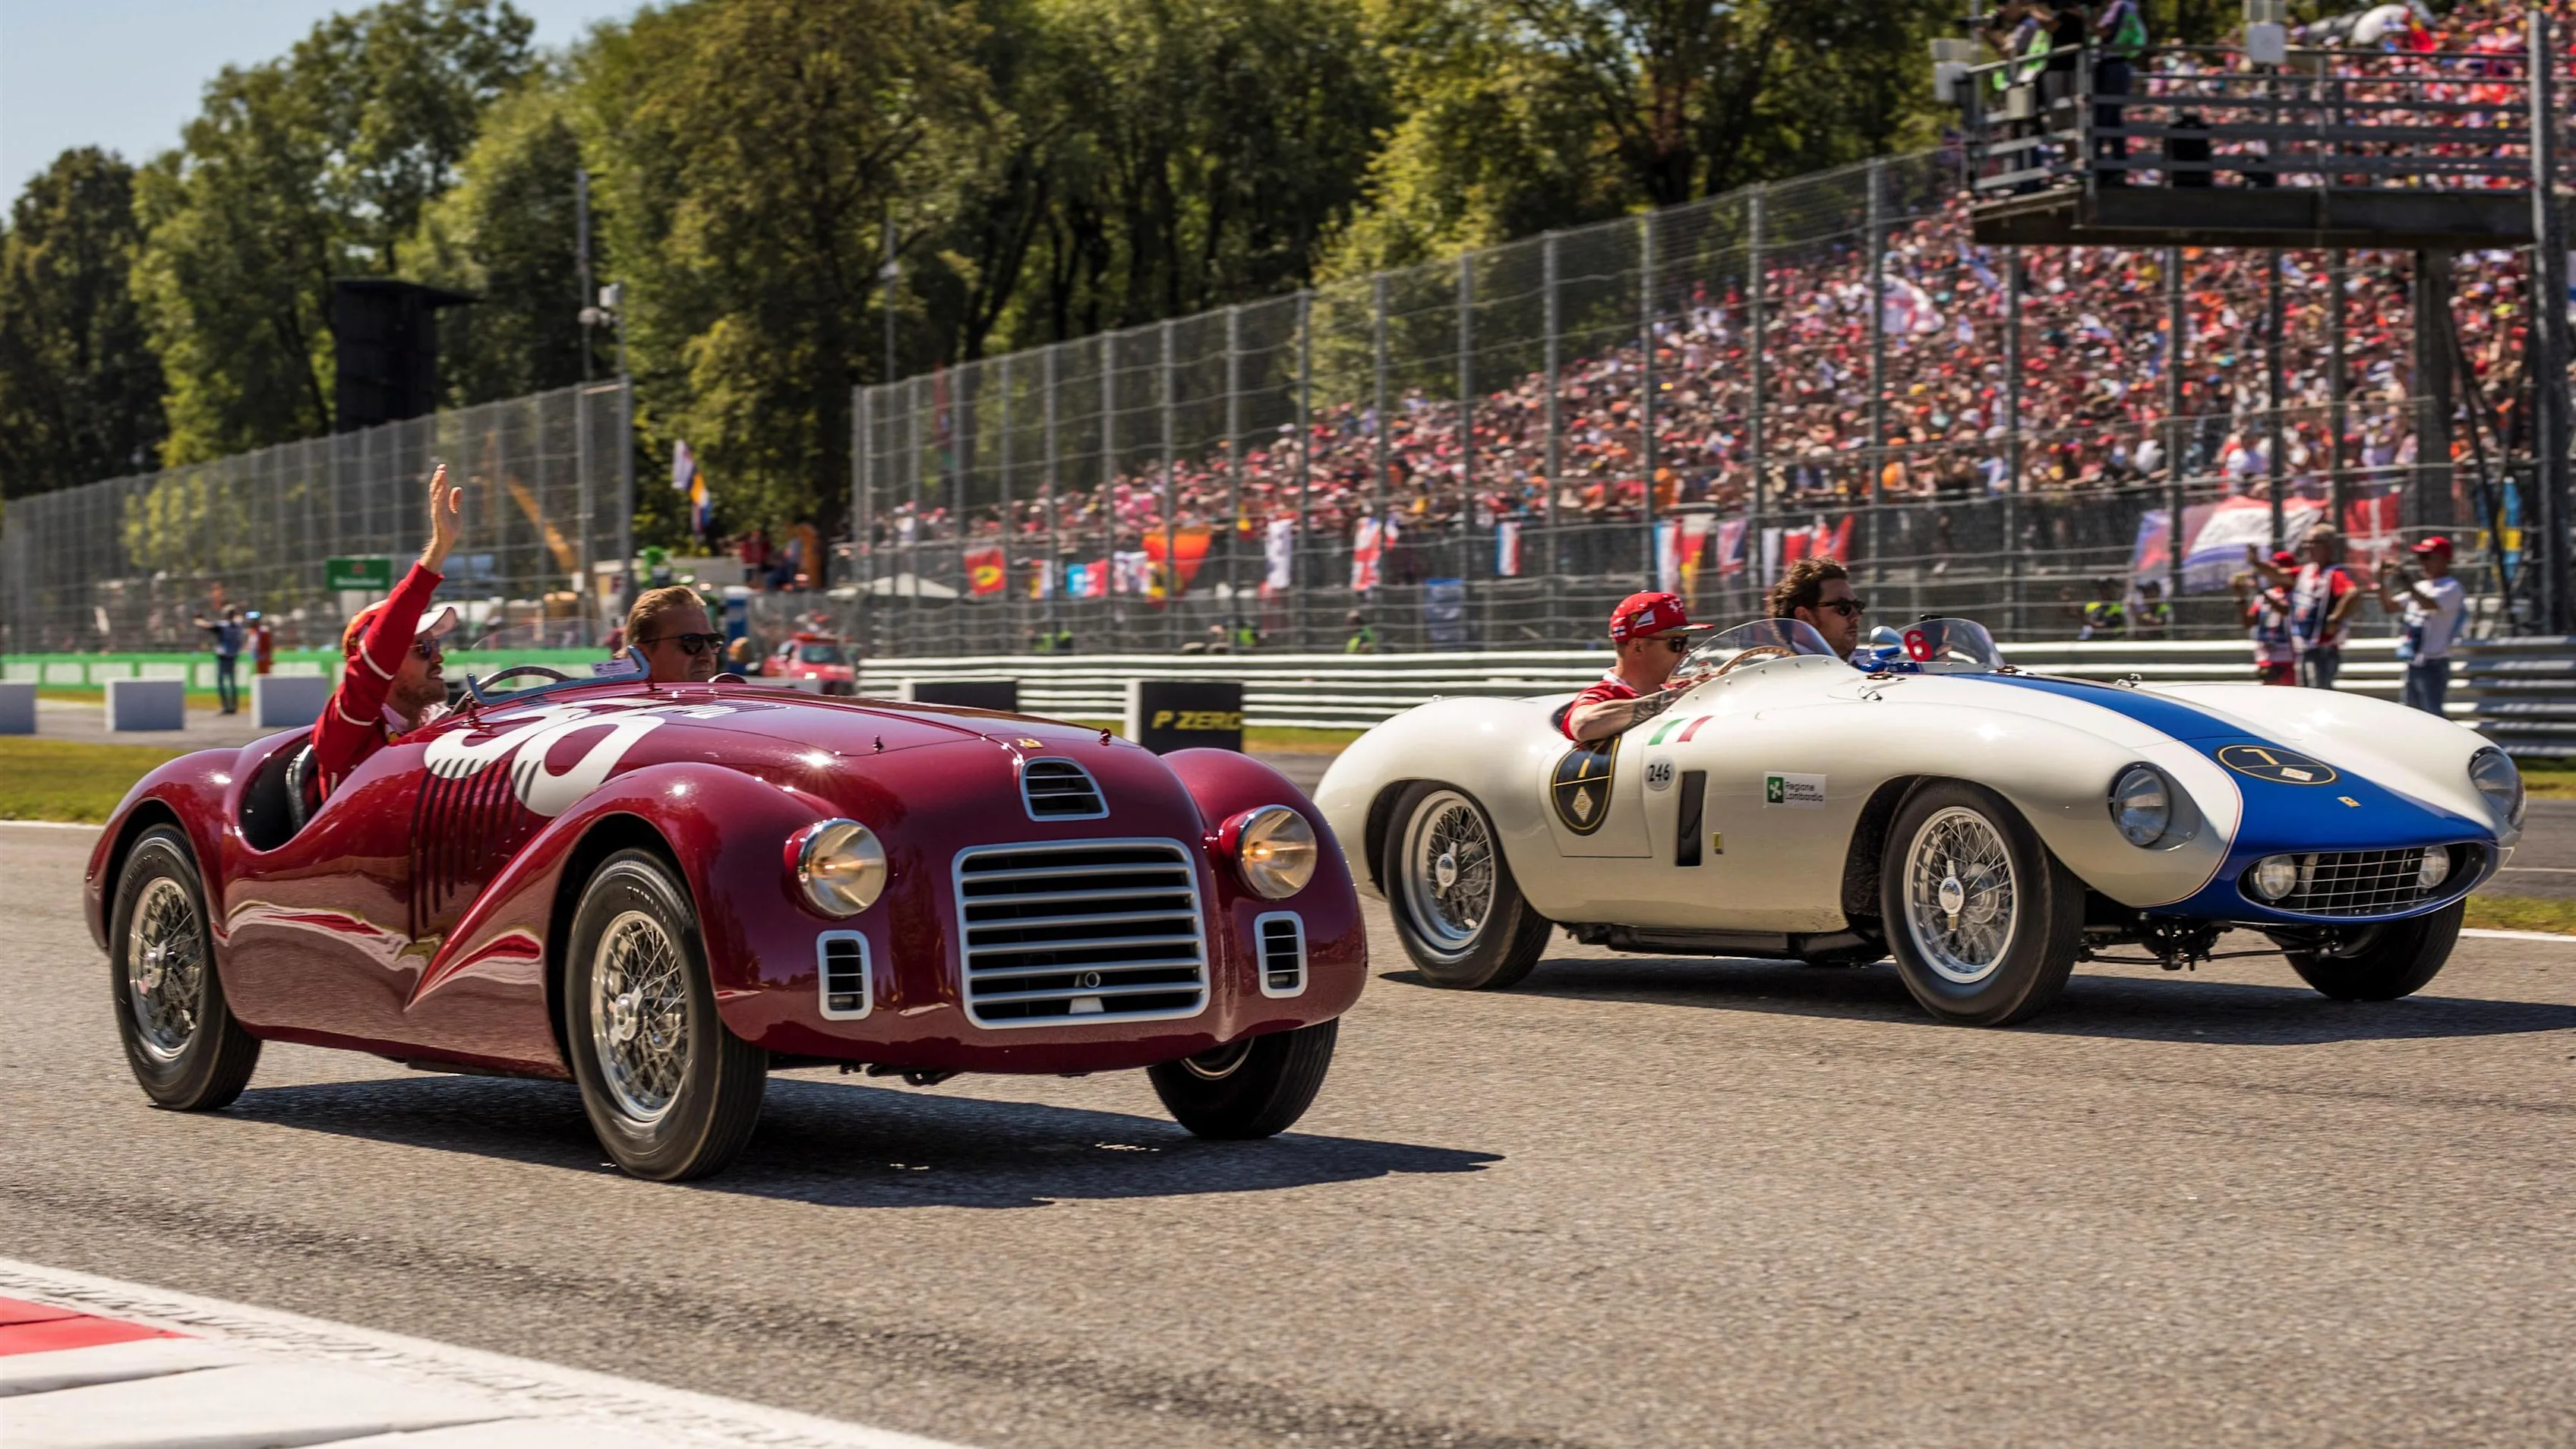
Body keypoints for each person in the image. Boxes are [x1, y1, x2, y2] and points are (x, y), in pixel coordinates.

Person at [311, 466, 463, 801]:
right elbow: (380, 650)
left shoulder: (439, 722)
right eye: (422, 648)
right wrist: (438, 550)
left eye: (435, 644)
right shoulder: (345, 730)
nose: (438, 656)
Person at [1561, 591, 1715, 743]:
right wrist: (1674, 698)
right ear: (1637, 648)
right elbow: (1582, 724)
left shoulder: (1675, 687)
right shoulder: (1604, 694)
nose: (1685, 652)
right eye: (1676, 643)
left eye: (1686, 642)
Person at [2250, 529, 2361, 690]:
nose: (2308, 547)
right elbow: (2279, 575)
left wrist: (2335, 618)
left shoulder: (2334, 573)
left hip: (2321, 647)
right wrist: (2256, 562)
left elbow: (2352, 593)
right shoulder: (2306, 571)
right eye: (2306, 543)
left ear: (2327, 546)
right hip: (2304, 644)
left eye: (2313, 543)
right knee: (2306, 690)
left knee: (2318, 693)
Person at [2375, 535, 2466, 715]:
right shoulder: (2420, 586)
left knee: (2433, 715)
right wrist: (2381, 581)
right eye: (2420, 558)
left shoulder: (2452, 587)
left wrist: (2406, 582)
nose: (2422, 563)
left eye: (2427, 558)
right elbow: (2390, 607)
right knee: (2411, 715)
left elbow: (2430, 605)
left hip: (2434, 663)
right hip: (2414, 662)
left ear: (2443, 560)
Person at [1767, 555, 1865, 661]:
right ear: (1804, 616)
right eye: (1843, 607)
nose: (1856, 616)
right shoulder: (1775, 674)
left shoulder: (1875, 668)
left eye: (1857, 606)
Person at [625, 586, 722, 685]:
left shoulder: (732, 698)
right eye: (691, 643)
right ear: (643, 655)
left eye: (712, 641)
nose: (707, 655)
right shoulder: (615, 699)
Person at [2230, 551, 2298, 684]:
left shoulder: (2298, 594)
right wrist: (2240, 597)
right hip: (2266, 656)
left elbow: (2286, 610)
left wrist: (2261, 590)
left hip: (2289, 657)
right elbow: (2249, 621)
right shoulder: (2265, 595)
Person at [191, 605, 246, 714]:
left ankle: (225, 706)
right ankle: (234, 706)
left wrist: (198, 619)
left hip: (223, 656)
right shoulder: (238, 625)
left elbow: (205, 625)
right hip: (233, 655)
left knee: (221, 682)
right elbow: (239, 617)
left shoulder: (222, 626)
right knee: (232, 682)